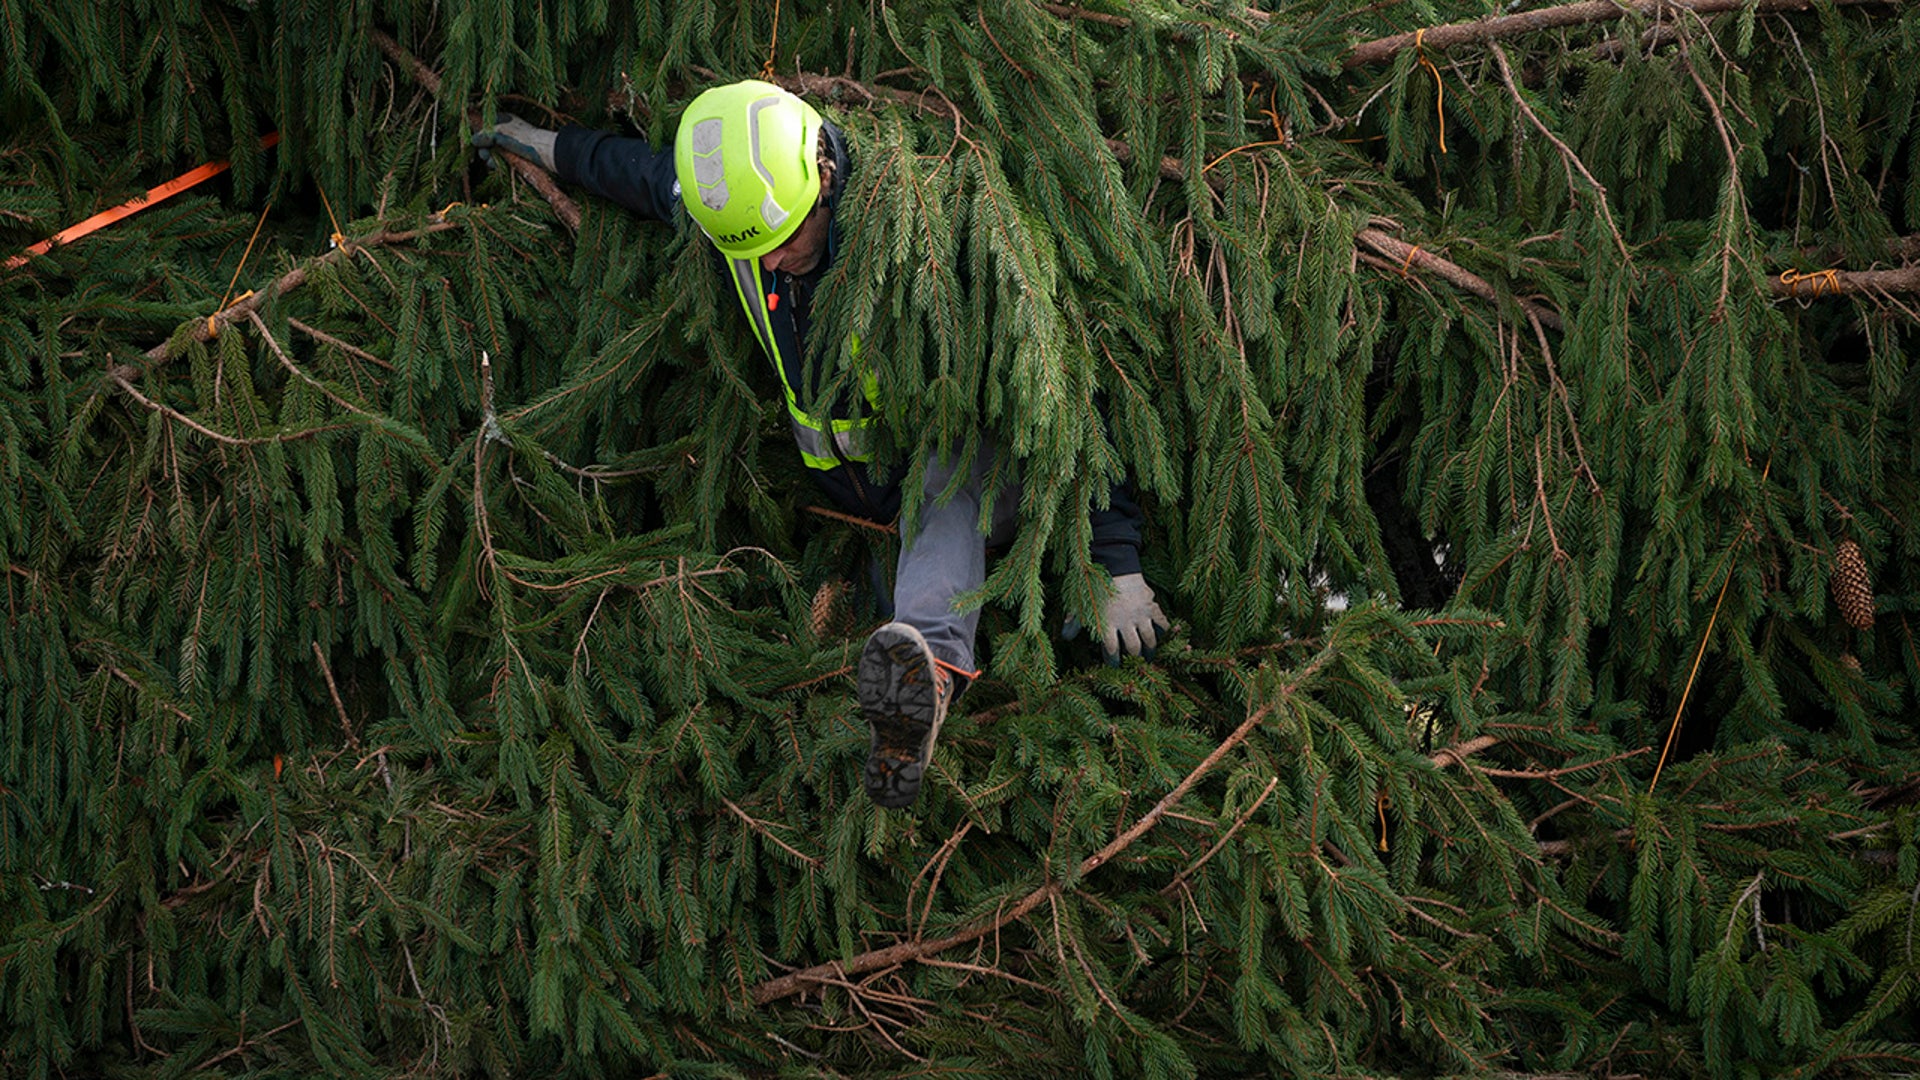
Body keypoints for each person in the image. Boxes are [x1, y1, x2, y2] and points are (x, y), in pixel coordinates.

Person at [474, 80, 1167, 809]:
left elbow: (1064, 392)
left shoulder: (924, 234)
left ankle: (925, 676)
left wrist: (1114, 554)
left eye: (785, 241)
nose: (770, 264)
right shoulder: (742, 206)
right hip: (867, 510)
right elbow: (636, 175)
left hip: (980, 479)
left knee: (947, 485)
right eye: (754, 251)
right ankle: (903, 663)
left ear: (825, 179)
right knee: (883, 588)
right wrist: (541, 144)